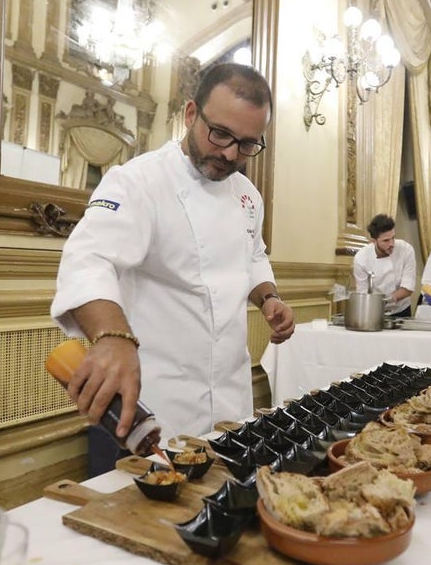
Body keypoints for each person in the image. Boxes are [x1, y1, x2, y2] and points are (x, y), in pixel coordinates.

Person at [51, 63, 295, 466]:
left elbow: (253, 255)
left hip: (230, 398)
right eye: (220, 134)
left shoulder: (248, 196)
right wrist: (112, 338)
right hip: (153, 402)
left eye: (247, 144)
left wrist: (268, 297)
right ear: (190, 114)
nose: (230, 153)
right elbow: (89, 257)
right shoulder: (137, 181)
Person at [352, 213, 416, 317]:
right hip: (374, 311)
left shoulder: (406, 250)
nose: (392, 244)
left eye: (393, 238)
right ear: (373, 241)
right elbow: (362, 293)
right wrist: (379, 305)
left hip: (402, 310)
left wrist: (387, 301)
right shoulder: (361, 258)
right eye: (386, 240)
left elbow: (408, 288)